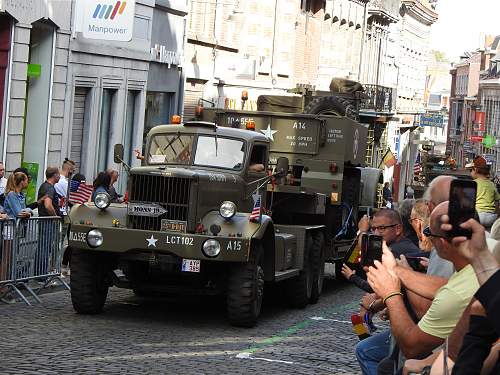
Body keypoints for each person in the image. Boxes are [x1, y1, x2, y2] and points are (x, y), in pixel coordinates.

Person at [366, 201, 479, 361]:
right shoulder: (487, 249)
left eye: (429, 231)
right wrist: (397, 270)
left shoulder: (454, 295)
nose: (427, 237)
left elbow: (412, 347)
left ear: (443, 242)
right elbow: (446, 285)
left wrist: (391, 294)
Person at [465, 155, 500, 230]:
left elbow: (467, 202)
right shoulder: (492, 184)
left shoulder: (473, 184)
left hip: (477, 216)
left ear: (475, 170)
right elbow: (497, 202)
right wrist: (496, 215)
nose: (470, 173)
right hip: (491, 217)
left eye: (471, 170)